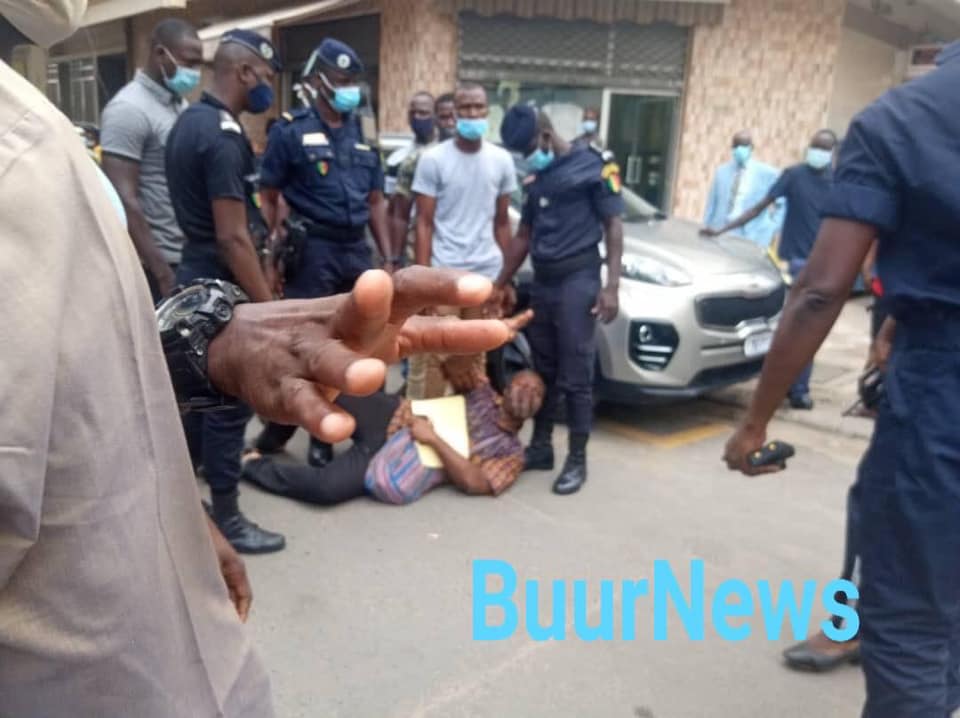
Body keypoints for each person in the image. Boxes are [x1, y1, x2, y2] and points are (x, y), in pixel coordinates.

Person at [723, 41, 960, 717]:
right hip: (927, 350)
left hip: (945, 382)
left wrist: (754, 420)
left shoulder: (904, 118)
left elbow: (819, 292)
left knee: (911, 623)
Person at [165, 29, 285, 554]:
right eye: (264, 78)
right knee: (228, 407)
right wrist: (271, 312)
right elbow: (234, 237)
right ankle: (229, 519)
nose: (267, 89)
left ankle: (189, 513)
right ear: (243, 73)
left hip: (196, 274)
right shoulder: (221, 135)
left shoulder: (187, 123)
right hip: (221, 288)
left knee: (196, 401)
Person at [253, 38, 392, 468]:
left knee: (358, 343)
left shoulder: (364, 133)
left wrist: (387, 256)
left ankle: (353, 424)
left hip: (355, 249)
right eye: (342, 80)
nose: (349, 89)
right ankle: (317, 435)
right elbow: (269, 193)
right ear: (318, 80)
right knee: (313, 346)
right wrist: (275, 245)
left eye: (354, 81)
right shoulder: (290, 130)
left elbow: (376, 201)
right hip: (312, 249)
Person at [242, 319, 543, 506]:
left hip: (398, 457)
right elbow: (454, 365)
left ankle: (250, 465)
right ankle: (273, 434)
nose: (526, 392)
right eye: (523, 384)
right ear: (507, 388)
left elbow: (475, 482)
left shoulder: (512, 454)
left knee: (326, 489)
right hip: (390, 414)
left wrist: (433, 439)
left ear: (538, 407)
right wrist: (492, 330)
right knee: (322, 385)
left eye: (535, 392)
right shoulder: (483, 393)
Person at [496, 104, 624, 495]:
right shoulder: (537, 177)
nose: (529, 157)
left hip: (578, 279)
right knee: (544, 369)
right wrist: (500, 281)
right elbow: (524, 235)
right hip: (545, 283)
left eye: (531, 148)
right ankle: (541, 446)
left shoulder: (596, 166)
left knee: (577, 374)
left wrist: (611, 286)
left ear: (547, 137)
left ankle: (577, 459)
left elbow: (614, 226)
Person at [702, 129, 839, 410]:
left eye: (823, 148)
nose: (817, 152)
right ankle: (787, 387)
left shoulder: (838, 183)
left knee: (805, 329)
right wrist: (721, 229)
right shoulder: (793, 175)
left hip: (820, 265)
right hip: (791, 263)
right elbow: (759, 207)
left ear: (832, 152)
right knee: (785, 327)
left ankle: (798, 389)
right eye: (814, 146)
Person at [410, 83, 518, 399]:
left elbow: (501, 223)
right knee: (432, 362)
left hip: (483, 280)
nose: (472, 113)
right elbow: (424, 225)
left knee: (473, 368)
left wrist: (505, 279)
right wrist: (422, 284)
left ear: (488, 112)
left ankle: (465, 441)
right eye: (465, 108)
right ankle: (423, 437)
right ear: (453, 114)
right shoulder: (433, 160)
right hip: (444, 276)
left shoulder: (502, 161)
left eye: (478, 107)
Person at [100, 19, 202, 303]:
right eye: (188, 62)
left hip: (188, 256)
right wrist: (161, 273)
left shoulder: (179, 106)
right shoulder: (128, 110)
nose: (194, 72)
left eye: (198, 64)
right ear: (160, 54)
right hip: (157, 264)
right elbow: (122, 198)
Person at [388, 92, 455, 264]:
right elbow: (397, 213)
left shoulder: (484, 159)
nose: (418, 118)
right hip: (424, 251)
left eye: (423, 113)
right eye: (413, 113)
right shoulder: (409, 159)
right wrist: (393, 259)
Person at [702, 130, 782, 248]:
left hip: (752, 235)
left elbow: (782, 203)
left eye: (743, 145)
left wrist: (773, 226)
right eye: (736, 146)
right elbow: (711, 204)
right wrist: (706, 226)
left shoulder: (767, 174)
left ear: (751, 148)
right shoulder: (721, 172)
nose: (739, 149)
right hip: (722, 231)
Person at [385, 90, 436, 197]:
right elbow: (390, 199)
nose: (416, 117)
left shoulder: (445, 154)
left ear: (435, 116)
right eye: (413, 113)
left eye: (423, 113)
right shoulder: (396, 159)